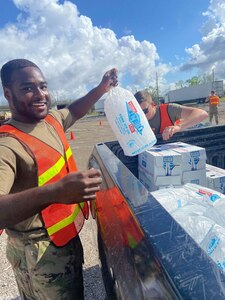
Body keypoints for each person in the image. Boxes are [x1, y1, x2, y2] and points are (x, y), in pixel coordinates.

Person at [0, 58, 118, 300]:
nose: (39, 94)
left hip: (64, 242)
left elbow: (74, 110)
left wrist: (101, 88)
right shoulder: (7, 145)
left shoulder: (51, 121)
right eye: (28, 88)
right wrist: (54, 192)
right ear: (8, 94)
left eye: (43, 86)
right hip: (39, 254)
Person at [134, 89, 208, 140]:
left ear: (152, 104)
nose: (142, 116)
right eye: (138, 113)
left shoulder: (169, 109)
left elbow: (202, 114)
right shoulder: (134, 119)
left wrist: (178, 127)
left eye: (145, 111)